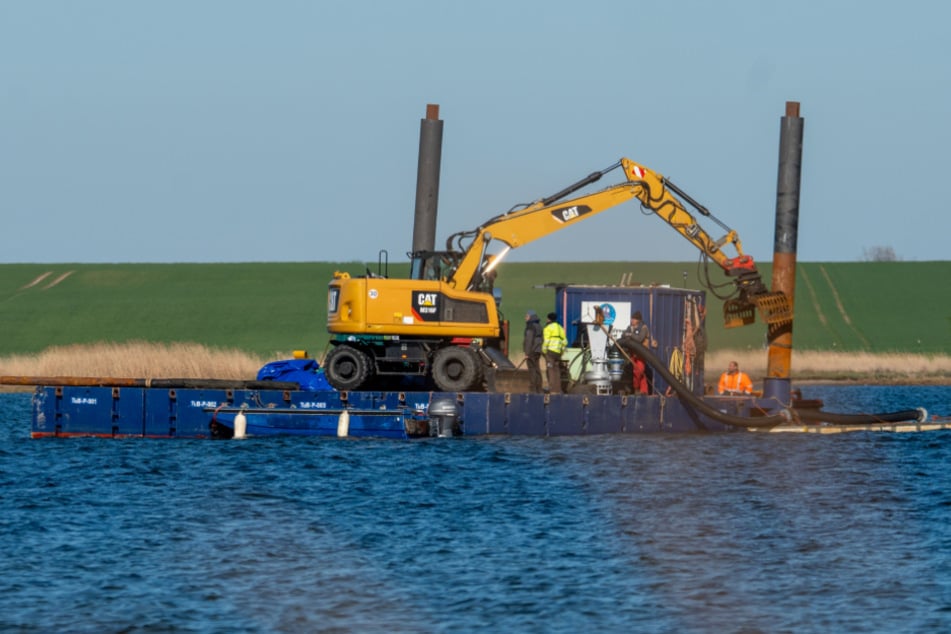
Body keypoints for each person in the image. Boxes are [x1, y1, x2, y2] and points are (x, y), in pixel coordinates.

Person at [618, 311, 650, 394]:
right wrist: (628, 334)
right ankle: (643, 391)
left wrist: (630, 335)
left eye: (634, 319)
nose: (632, 320)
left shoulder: (644, 328)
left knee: (638, 371)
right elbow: (623, 335)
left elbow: (639, 339)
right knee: (637, 372)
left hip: (641, 354)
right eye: (631, 318)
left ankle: (636, 389)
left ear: (638, 320)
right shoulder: (630, 327)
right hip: (632, 353)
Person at [542, 312, 567, 393]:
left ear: (549, 319)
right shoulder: (560, 328)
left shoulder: (548, 328)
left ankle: (552, 389)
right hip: (558, 352)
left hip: (550, 352)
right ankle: (558, 389)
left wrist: (544, 350)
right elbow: (565, 342)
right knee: (557, 370)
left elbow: (546, 341)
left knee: (551, 370)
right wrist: (561, 351)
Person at [523, 310, 543, 393]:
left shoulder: (530, 326)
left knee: (532, 369)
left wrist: (527, 353)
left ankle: (533, 388)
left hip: (532, 350)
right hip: (538, 350)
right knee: (537, 368)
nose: (525, 318)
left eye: (527, 316)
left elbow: (529, 340)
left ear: (530, 317)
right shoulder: (539, 326)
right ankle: (539, 388)